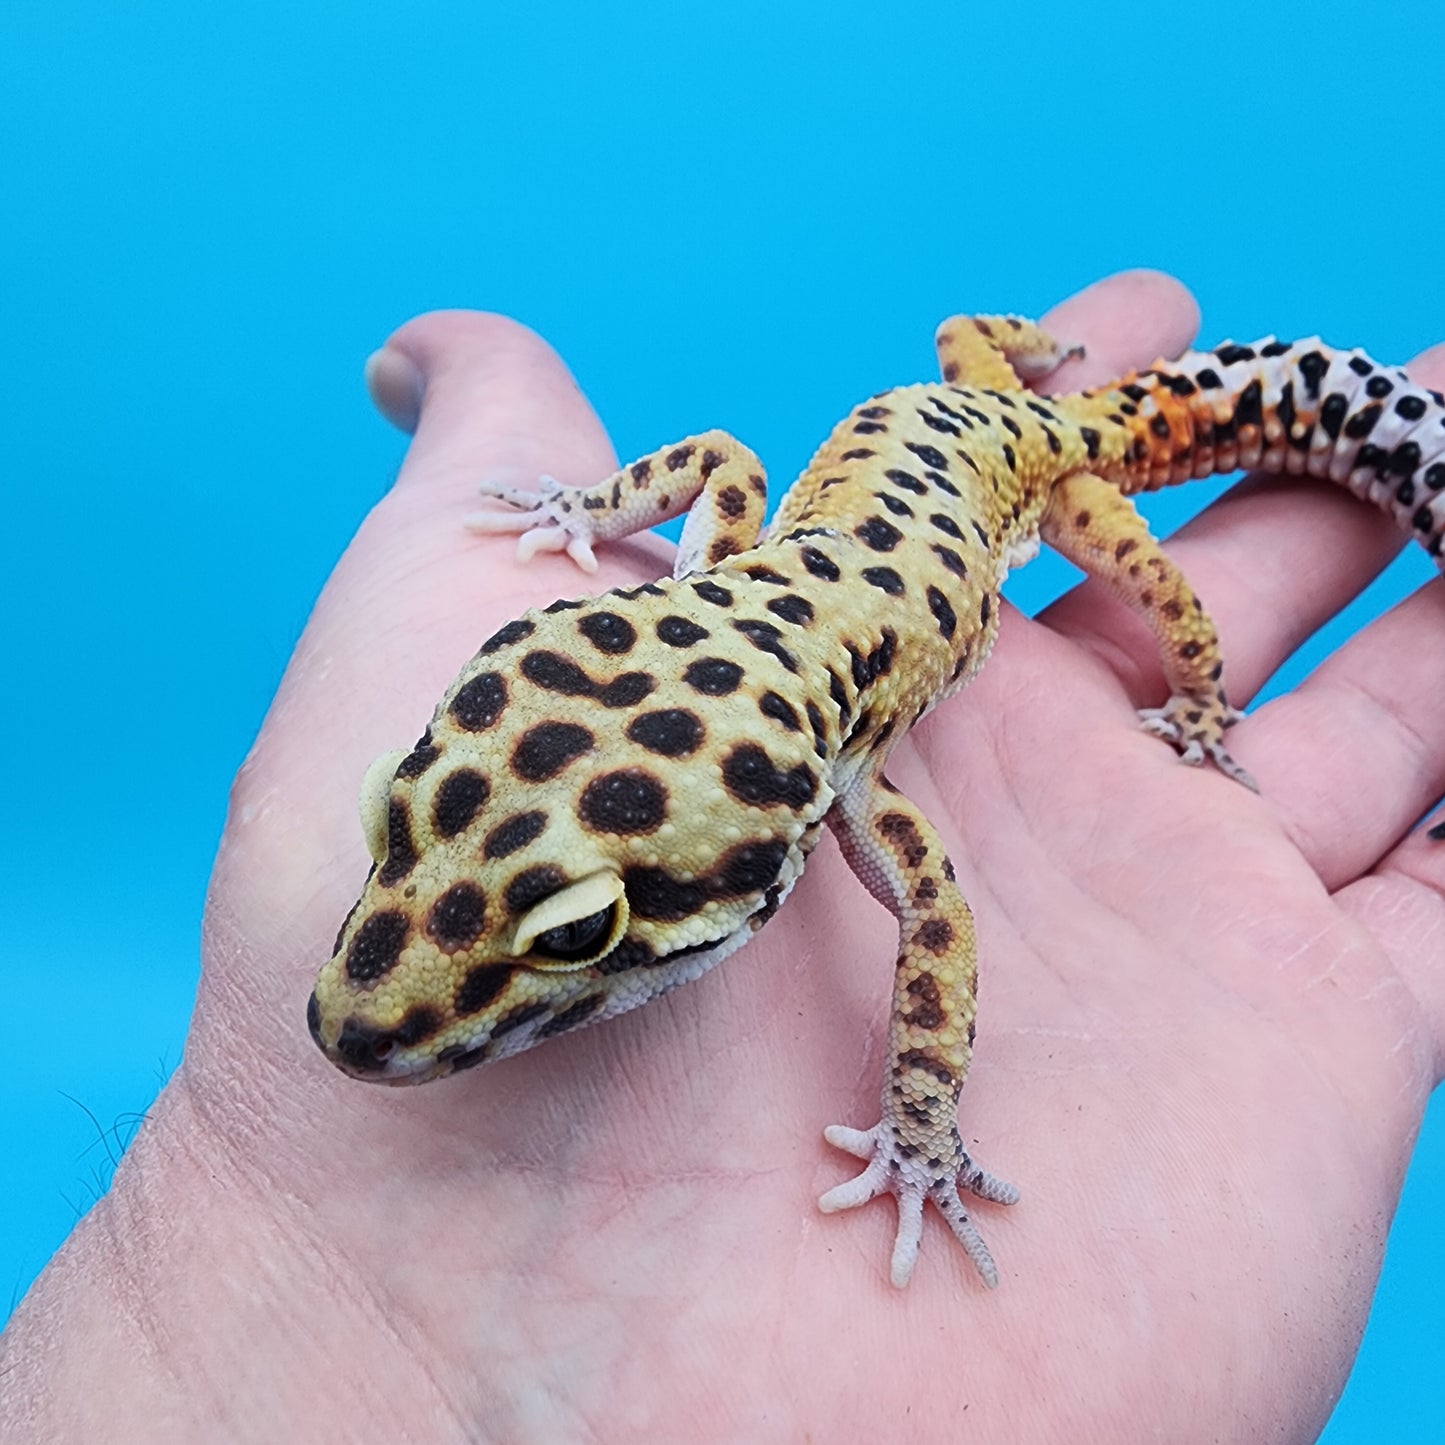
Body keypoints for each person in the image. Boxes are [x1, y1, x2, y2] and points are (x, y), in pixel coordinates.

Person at [2, 271, 1440, 1443]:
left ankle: (1201, 522)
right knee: (974, 355)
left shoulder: (846, 767)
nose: (367, 982)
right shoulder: (735, 599)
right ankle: (1022, 369)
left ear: (796, 808)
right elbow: (723, 463)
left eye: (571, 930)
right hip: (948, 427)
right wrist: (593, 517)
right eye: (403, 812)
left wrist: (1192, 699)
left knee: (1149, 580)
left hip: (1033, 462)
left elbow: (936, 921)